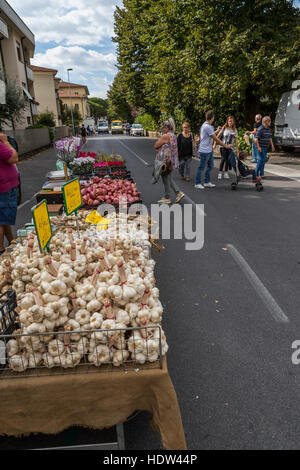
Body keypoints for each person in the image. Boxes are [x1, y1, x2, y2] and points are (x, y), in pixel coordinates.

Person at [195, 110, 233, 189]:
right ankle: (197, 183)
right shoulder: (207, 126)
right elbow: (216, 139)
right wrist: (226, 146)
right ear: (212, 117)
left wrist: (217, 131)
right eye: (214, 117)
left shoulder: (207, 125)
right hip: (204, 151)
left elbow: (210, 134)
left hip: (208, 150)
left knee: (211, 166)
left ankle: (207, 182)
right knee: (201, 167)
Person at [154, 118, 184, 204]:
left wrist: (160, 146)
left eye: (163, 128)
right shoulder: (174, 136)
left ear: (167, 127)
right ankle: (176, 194)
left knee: (165, 178)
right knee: (168, 178)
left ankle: (169, 196)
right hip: (171, 161)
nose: (162, 130)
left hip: (165, 161)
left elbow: (155, 145)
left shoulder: (166, 136)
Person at [0, 133, 19, 255]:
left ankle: (12, 242)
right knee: (2, 219)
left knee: (4, 218)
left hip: (6, 185)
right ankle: (1, 250)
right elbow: (14, 157)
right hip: (4, 186)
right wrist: (6, 142)